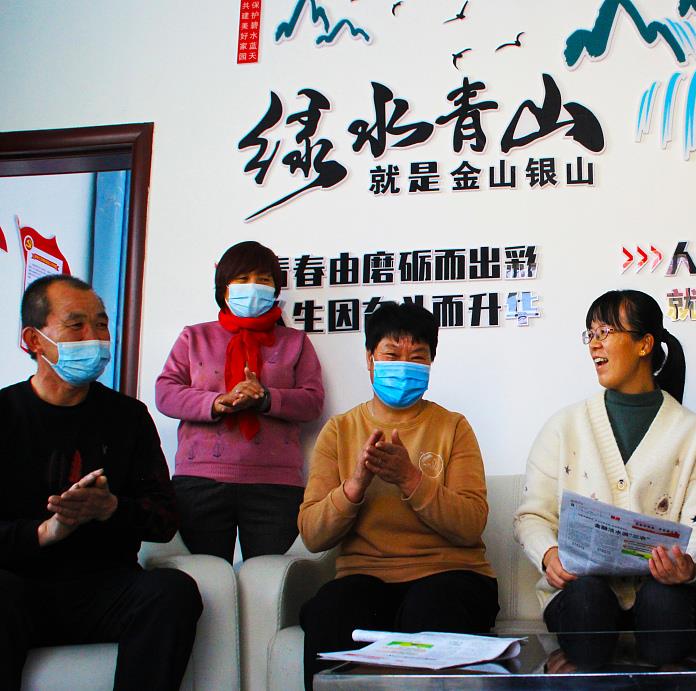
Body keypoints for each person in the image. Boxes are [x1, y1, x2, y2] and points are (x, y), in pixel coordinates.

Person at [0, 275, 202, 690]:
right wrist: (44, 532)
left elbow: (165, 519)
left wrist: (111, 508)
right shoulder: (4, 414)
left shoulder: (128, 417)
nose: (94, 337)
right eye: (76, 325)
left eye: (101, 324)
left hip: (104, 588)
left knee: (172, 592)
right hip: (18, 587)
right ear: (34, 340)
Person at [514, 289, 696, 667]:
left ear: (645, 344)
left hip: (664, 588)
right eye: (590, 334)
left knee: (664, 606)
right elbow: (532, 516)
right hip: (580, 589)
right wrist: (548, 554)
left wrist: (687, 564)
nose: (594, 344)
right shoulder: (563, 426)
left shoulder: (693, 432)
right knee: (588, 602)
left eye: (606, 332)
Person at [298, 302, 498, 690]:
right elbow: (313, 534)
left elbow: (471, 525)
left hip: (450, 574)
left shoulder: (454, 427)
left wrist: (410, 478)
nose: (404, 365)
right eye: (391, 354)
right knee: (331, 609)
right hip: (365, 577)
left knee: (432, 608)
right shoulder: (339, 430)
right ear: (370, 359)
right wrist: (356, 485)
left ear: (431, 363)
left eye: (417, 357)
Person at [156, 241, 324, 562]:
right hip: (200, 481)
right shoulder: (194, 337)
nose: (253, 287)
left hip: (274, 483)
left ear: (275, 289)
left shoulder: (296, 342)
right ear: (224, 288)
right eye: (243, 279)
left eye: (263, 279)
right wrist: (217, 402)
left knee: (271, 578)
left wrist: (265, 398)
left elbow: (313, 402)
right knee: (203, 577)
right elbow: (166, 393)